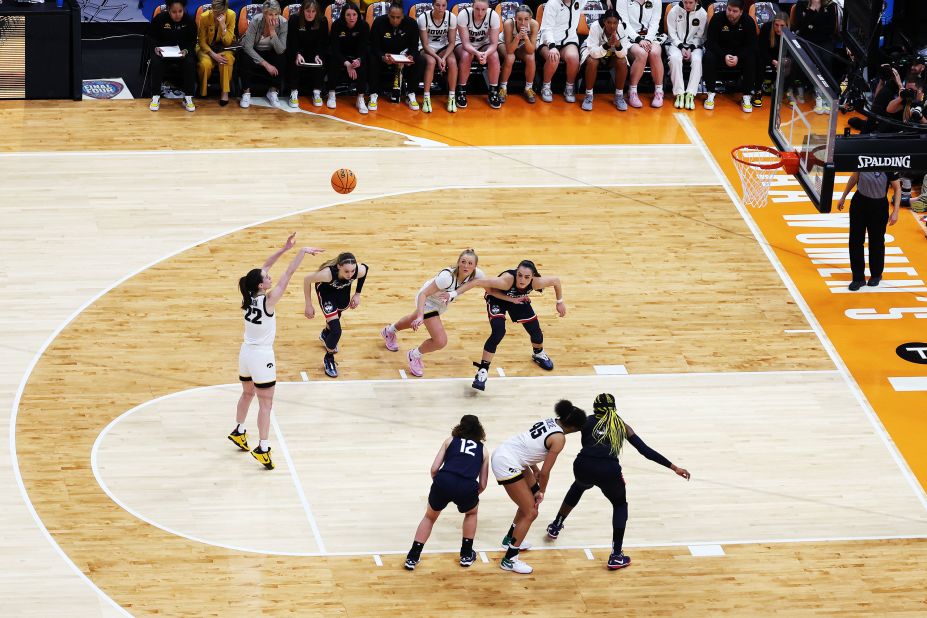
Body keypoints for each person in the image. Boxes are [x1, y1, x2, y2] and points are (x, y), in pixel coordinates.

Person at [545, 393, 690, 570]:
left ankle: (556, 526)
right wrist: (674, 467)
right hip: (609, 472)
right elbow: (645, 451)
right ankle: (616, 555)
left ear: (595, 408)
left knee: (579, 485)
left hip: (584, 466)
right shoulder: (622, 426)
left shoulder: (587, 421)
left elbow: (564, 425)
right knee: (620, 505)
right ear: (614, 408)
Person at [230, 235, 324, 470]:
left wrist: (284, 248)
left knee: (247, 394)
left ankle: (239, 430)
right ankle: (262, 447)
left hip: (245, 354)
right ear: (262, 285)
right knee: (266, 404)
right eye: (266, 278)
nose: (269, 276)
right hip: (261, 356)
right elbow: (288, 274)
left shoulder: (250, 296)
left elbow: (266, 265)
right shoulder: (269, 301)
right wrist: (301, 252)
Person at [492, 400, 587, 574]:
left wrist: (533, 469)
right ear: (573, 427)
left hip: (510, 452)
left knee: (528, 501)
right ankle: (509, 560)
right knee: (531, 511)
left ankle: (509, 539)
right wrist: (541, 490)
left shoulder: (550, 421)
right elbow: (545, 473)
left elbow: (529, 447)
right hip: (507, 462)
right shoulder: (559, 438)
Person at [449, 259, 565, 392]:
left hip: (518, 299)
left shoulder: (537, 282)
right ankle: (483, 370)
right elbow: (476, 282)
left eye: (527, 277)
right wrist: (453, 294)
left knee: (535, 331)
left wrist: (559, 302)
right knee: (498, 331)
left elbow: (556, 280)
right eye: (519, 275)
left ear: (533, 277)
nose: (522, 279)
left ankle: (538, 353)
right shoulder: (506, 281)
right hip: (497, 299)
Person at [380, 249, 484, 378]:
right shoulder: (446, 278)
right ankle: (414, 355)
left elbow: (483, 283)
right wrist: (420, 315)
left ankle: (389, 331)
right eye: (463, 262)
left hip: (439, 304)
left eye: (470, 263)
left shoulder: (477, 274)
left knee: (411, 319)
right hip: (427, 300)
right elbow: (424, 294)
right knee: (440, 341)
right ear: (458, 262)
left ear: (475, 266)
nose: (466, 266)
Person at [404, 414, 489, 570]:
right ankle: (466, 554)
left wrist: (439, 482)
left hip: (444, 480)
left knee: (429, 517)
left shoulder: (449, 441)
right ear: (479, 430)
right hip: (466, 485)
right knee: (471, 513)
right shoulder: (483, 451)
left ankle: (413, 557)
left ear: (460, 426)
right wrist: (471, 493)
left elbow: (434, 469)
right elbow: (483, 484)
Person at [302, 252, 369, 377]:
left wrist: (358, 294)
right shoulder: (327, 274)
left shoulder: (358, 271)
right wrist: (308, 304)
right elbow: (307, 280)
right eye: (346, 271)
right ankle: (329, 358)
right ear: (339, 266)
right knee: (337, 330)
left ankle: (325, 334)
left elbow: (366, 269)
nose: (350, 275)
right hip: (326, 293)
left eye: (352, 271)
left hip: (342, 292)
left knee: (337, 316)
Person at [837, 171, 901, 291]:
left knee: (876, 242)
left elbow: (897, 188)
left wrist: (896, 211)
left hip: (879, 206)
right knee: (855, 241)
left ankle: (876, 274)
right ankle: (858, 278)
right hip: (860, 203)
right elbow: (854, 177)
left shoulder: (889, 162)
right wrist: (843, 196)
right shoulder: (863, 157)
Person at [703, 0, 757, 113]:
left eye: (735, 11)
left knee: (751, 58)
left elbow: (751, 45)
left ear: (741, 12)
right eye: (729, 9)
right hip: (721, 54)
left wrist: (738, 57)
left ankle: (746, 95)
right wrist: (724, 56)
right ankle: (710, 93)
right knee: (709, 56)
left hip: (739, 57)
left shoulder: (748, 21)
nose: (730, 13)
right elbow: (710, 43)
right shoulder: (717, 18)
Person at [369, 1, 422, 111]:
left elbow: (414, 46)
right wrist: (383, 57)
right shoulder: (379, 22)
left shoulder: (411, 24)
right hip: (385, 56)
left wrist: (411, 56)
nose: (395, 20)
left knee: (420, 60)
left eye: (398, 17)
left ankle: (410, 93)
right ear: (388, 14)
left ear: (403, 16)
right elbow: (373, 46)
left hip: (403, 57)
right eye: (392, 17)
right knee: (372, 58)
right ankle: (373, 94)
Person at [146, 0, 197, 112]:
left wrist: (186, 50)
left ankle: (188, 97)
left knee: (190, 62)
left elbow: (192, 41)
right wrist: (155, 47)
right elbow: (151, 37)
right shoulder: (160, 19)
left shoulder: (189, 21)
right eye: (174, 12)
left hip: (181, 53)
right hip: (163, 52)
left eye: (180, 11)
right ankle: (155, 96)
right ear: (168, 10)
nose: (177, 14)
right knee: (156, 62)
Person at [790, 0, 839, 114]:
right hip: (806, 39)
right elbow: (800, 26)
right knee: (813, 59)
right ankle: (817, 94)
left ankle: (826, 94)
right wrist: (811, 9)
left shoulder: (831, 5)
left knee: (826, 59)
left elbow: (830, 29)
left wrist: (811, 26)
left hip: (824, 40)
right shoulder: (801, 4)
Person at [578, 8, 630, 112]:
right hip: (593, 51)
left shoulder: (621, 28)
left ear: (618, 22)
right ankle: (588, 96)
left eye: (615, 23)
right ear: (604, 21)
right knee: (593, 61)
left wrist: (618, 45)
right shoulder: (595, 26)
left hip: (611, 54)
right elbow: (593, 52)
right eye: (609, 22)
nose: (612, 26)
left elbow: (623, 53)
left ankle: (619, 96)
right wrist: (607, 45)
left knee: (622, 61)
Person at [455, 0, 503, 109]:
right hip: (463, 43)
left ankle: (493, 91)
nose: (480, 13)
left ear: (488, 8)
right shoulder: (464, 15)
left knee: (494, 56)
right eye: (477, 9)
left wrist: (485, 54)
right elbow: (466, 44)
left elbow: (494, 44)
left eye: (483, 9)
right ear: (472, 6)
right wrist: (477, 53)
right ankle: (461, 90)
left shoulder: (493, 16)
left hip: (483, 44)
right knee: (467, 55)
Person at [616, 0, 665, 108]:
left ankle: (659, 91)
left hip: (650, 36)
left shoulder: (656, 1)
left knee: (655, 53)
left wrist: (647, 39)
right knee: (641, 53)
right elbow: (624, 22)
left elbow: (655, 22)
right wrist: (638, 39)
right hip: (629, 36)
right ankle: (632, 92)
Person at [240, 0, 288, 108]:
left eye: (276, 14)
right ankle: (246, 92)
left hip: (271, 51)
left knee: (282, 57)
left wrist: (272, 32)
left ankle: (272, 91)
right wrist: (266, 64)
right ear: (264, 14)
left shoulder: (283, 22)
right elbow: (248, 47)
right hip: (255, 50)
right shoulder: (256, 20)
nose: (273, 17)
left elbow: (280, 49)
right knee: (244, 56)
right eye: (270, 14)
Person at [327, 2, 371, 113]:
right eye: (348, 15)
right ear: (343, 15)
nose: (351, 18)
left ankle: (360, 98)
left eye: (354, 14)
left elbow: (365, 47)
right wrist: (347, 63)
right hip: (340, 55)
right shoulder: (337, 25)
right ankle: (331, 94)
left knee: (363, 64)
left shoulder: (364, 26)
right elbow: (335, 48)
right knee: (332, 60)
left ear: (358, 15)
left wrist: (359, 60)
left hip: (357, 56)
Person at [537, 0, 582, 104]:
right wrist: (552, 46)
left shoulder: (579, 1)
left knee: (574, 57)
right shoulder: (552, 3)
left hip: (569, 40)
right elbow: (546, 28)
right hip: (548, 41)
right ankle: (546, 86)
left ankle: (569, 88)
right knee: (554, 57)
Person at [286, 0, 329, 108]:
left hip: (315, 51)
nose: (310, 14)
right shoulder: (294, 19)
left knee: (322, 60)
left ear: (317, 12)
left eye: (313, 11)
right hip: (298, 49)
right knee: (293, 59)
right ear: (302, 11)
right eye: (308, 11)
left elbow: (323, 42)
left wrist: (318, 54)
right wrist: (297, 53)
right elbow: (291, 40)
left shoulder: (323, 20)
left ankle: (317, 92)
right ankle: (294, 92)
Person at [417, 0, 459, 112]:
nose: (441, 8)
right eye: (438, 5)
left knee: (453, 62)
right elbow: (425, 45)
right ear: (433, 5)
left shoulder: (452, 17)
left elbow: (451, 43)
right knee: (431, 62)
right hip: (427, 47)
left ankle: (452, 97)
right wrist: (438, 58)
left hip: (443, 47)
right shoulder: (423, 18)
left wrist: (444, 58)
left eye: (444, 5)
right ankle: (426, 97)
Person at [665, 0, 707, 110]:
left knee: (697, 60)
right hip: (676, 44)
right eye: (685, 2)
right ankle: (679, 93)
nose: (687, 5)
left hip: (695, 46)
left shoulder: (702, 14)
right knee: (675, 58)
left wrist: (691, 48)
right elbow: (671, 33)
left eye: (690, 3)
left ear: (696, 2)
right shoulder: (674, 11)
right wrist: (681, 47)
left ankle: (690, 94)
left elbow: (701, 36)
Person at [196, 0, 237, 106]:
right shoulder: (204, 17)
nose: (216, 15)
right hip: (206, 48)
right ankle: (202, 91)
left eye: (220, 13)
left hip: (224, 47)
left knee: (226, 60)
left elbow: (228, 42)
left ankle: (225, 93)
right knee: (205, 64)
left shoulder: (231, 15)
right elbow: (201, 41)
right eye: (214, 12)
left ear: (225, 11)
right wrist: (213, 55)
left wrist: (223, 26)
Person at [499, 4, 539, 104]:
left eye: (526, 19)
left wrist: (525, 37)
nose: (523, 22)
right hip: (504, 44)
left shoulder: (534, 25)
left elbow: (530, 50)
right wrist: (517, 37)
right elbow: (510, 50)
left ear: (530, 18)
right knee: (510, 57)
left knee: (531, 57)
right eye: (520, 19)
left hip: (522, 44)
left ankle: (528, 88)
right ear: (515, 18)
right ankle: (503, 88)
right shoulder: (509, 23)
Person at [754, 11, 788, 108]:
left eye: (782, 25)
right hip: (767, 55)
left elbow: (791, 52)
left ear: (787, 25)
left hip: (781, 56)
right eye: (776, 25)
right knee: (759, 60)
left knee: (793, 62)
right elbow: (761, 49)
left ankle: (789, 90)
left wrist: (784, 61)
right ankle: (758, 91)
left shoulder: (790, 32)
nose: (778, 28)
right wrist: (772, 61)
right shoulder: (767, 27)